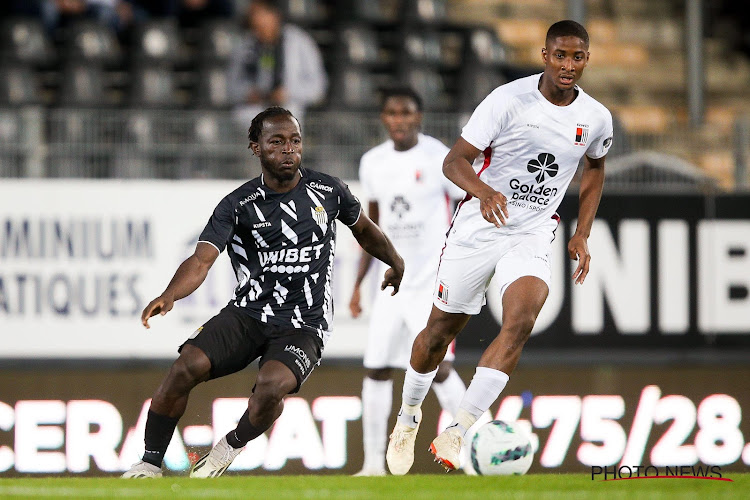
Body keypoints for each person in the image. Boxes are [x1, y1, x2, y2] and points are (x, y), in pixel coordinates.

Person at [122, 106, 404, 478]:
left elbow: (365, 230)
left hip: (304, 322)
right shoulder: (238, 204)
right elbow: (202, 259)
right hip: (249, 313)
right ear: (255, 148)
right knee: (184, 367)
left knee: (272, 387)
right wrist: (171, 294)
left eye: (295, 141)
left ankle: (229, 447)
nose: (289, 150)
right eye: (277, 142)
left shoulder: (328, 190)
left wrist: (395, 262)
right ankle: (149, 464)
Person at [385, 20, 613, 474]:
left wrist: (582, 231)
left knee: (523, 318)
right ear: (545, 55)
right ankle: (408, 419)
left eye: (578, 57)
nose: (568, 65)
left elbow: (595, 169)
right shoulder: (508, 100)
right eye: (560, 55)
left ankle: (458, 431)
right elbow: (454, 161)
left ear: (586, 59)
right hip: (478, 227)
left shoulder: (596, 118)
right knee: (438, 334)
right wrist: (485, 192)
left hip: (530, 232)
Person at [349, 87, 467, 476]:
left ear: (419, 116)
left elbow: (464, 210)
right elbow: (371, 226)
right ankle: (371, 466)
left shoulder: (439, 157)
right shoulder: (372, 162)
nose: (399, 120)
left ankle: (473, 452)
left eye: (406, 113)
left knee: (439, 367)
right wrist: (356, 285)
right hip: (390, 282)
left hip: (431, 280)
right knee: (377, 368)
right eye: (392, 113)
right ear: (384, 118)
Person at [227, 0, 327, 129]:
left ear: (275, 15)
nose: (259, 24)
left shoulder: (299, 42)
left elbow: (318, 88)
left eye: (262, 16)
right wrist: (247, 93)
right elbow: (230, 87)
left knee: (287, 119)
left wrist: (288, 93)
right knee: (243, 117)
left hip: (291, 107)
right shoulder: (245, 45)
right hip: (254, 110)